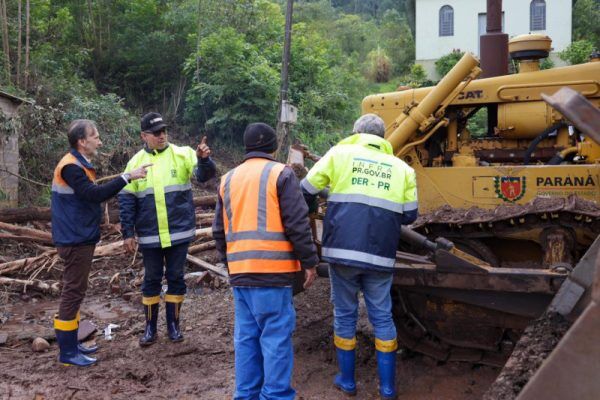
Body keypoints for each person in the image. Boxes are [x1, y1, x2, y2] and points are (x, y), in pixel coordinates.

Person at [301, 114, 418, 400]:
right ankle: (387, 388)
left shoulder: (340, 153)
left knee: (344, 314)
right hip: (380, 256)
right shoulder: (403, 168)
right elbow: (410, 214)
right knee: (382, 317)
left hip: (342, 253)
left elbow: (306, 188)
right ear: (383, 137)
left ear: (356, 132)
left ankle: (347, 381)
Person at [212, 122, 318, 400]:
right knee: (275, 338)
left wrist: (230, 262)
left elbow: (218, 231)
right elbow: (297, 223)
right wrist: (309, 261)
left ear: (246, 147)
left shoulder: (228, 179)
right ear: (274, 147)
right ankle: (276, 396)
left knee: (246, 338)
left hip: (241, 274)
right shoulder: (280, 173)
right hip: (274, 273)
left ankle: (245, 395)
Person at [51, 119, 150, 367]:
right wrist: (127, 177)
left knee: (75, 291)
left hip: (79, 236)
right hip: (74, 239)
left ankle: (73, 346)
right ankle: (67, 353)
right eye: (95, 136)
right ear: (82, 141)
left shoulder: (79, 164)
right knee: (72, 293)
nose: (100, 141)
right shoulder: (71, 167)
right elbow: (94, 195)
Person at [118, 112, 216, 347]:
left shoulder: (182, 154)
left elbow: (203, 176)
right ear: (144, 135)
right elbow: (127, 201)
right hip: (150, 234)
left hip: (178, 232)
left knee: (175, 278)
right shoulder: (134, 163)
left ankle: (174, 325)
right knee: (151, 279)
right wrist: (128, 233)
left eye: (164, 131)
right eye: (156, 132)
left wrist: (203, 159)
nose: (162, 135)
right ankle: (150, 328)